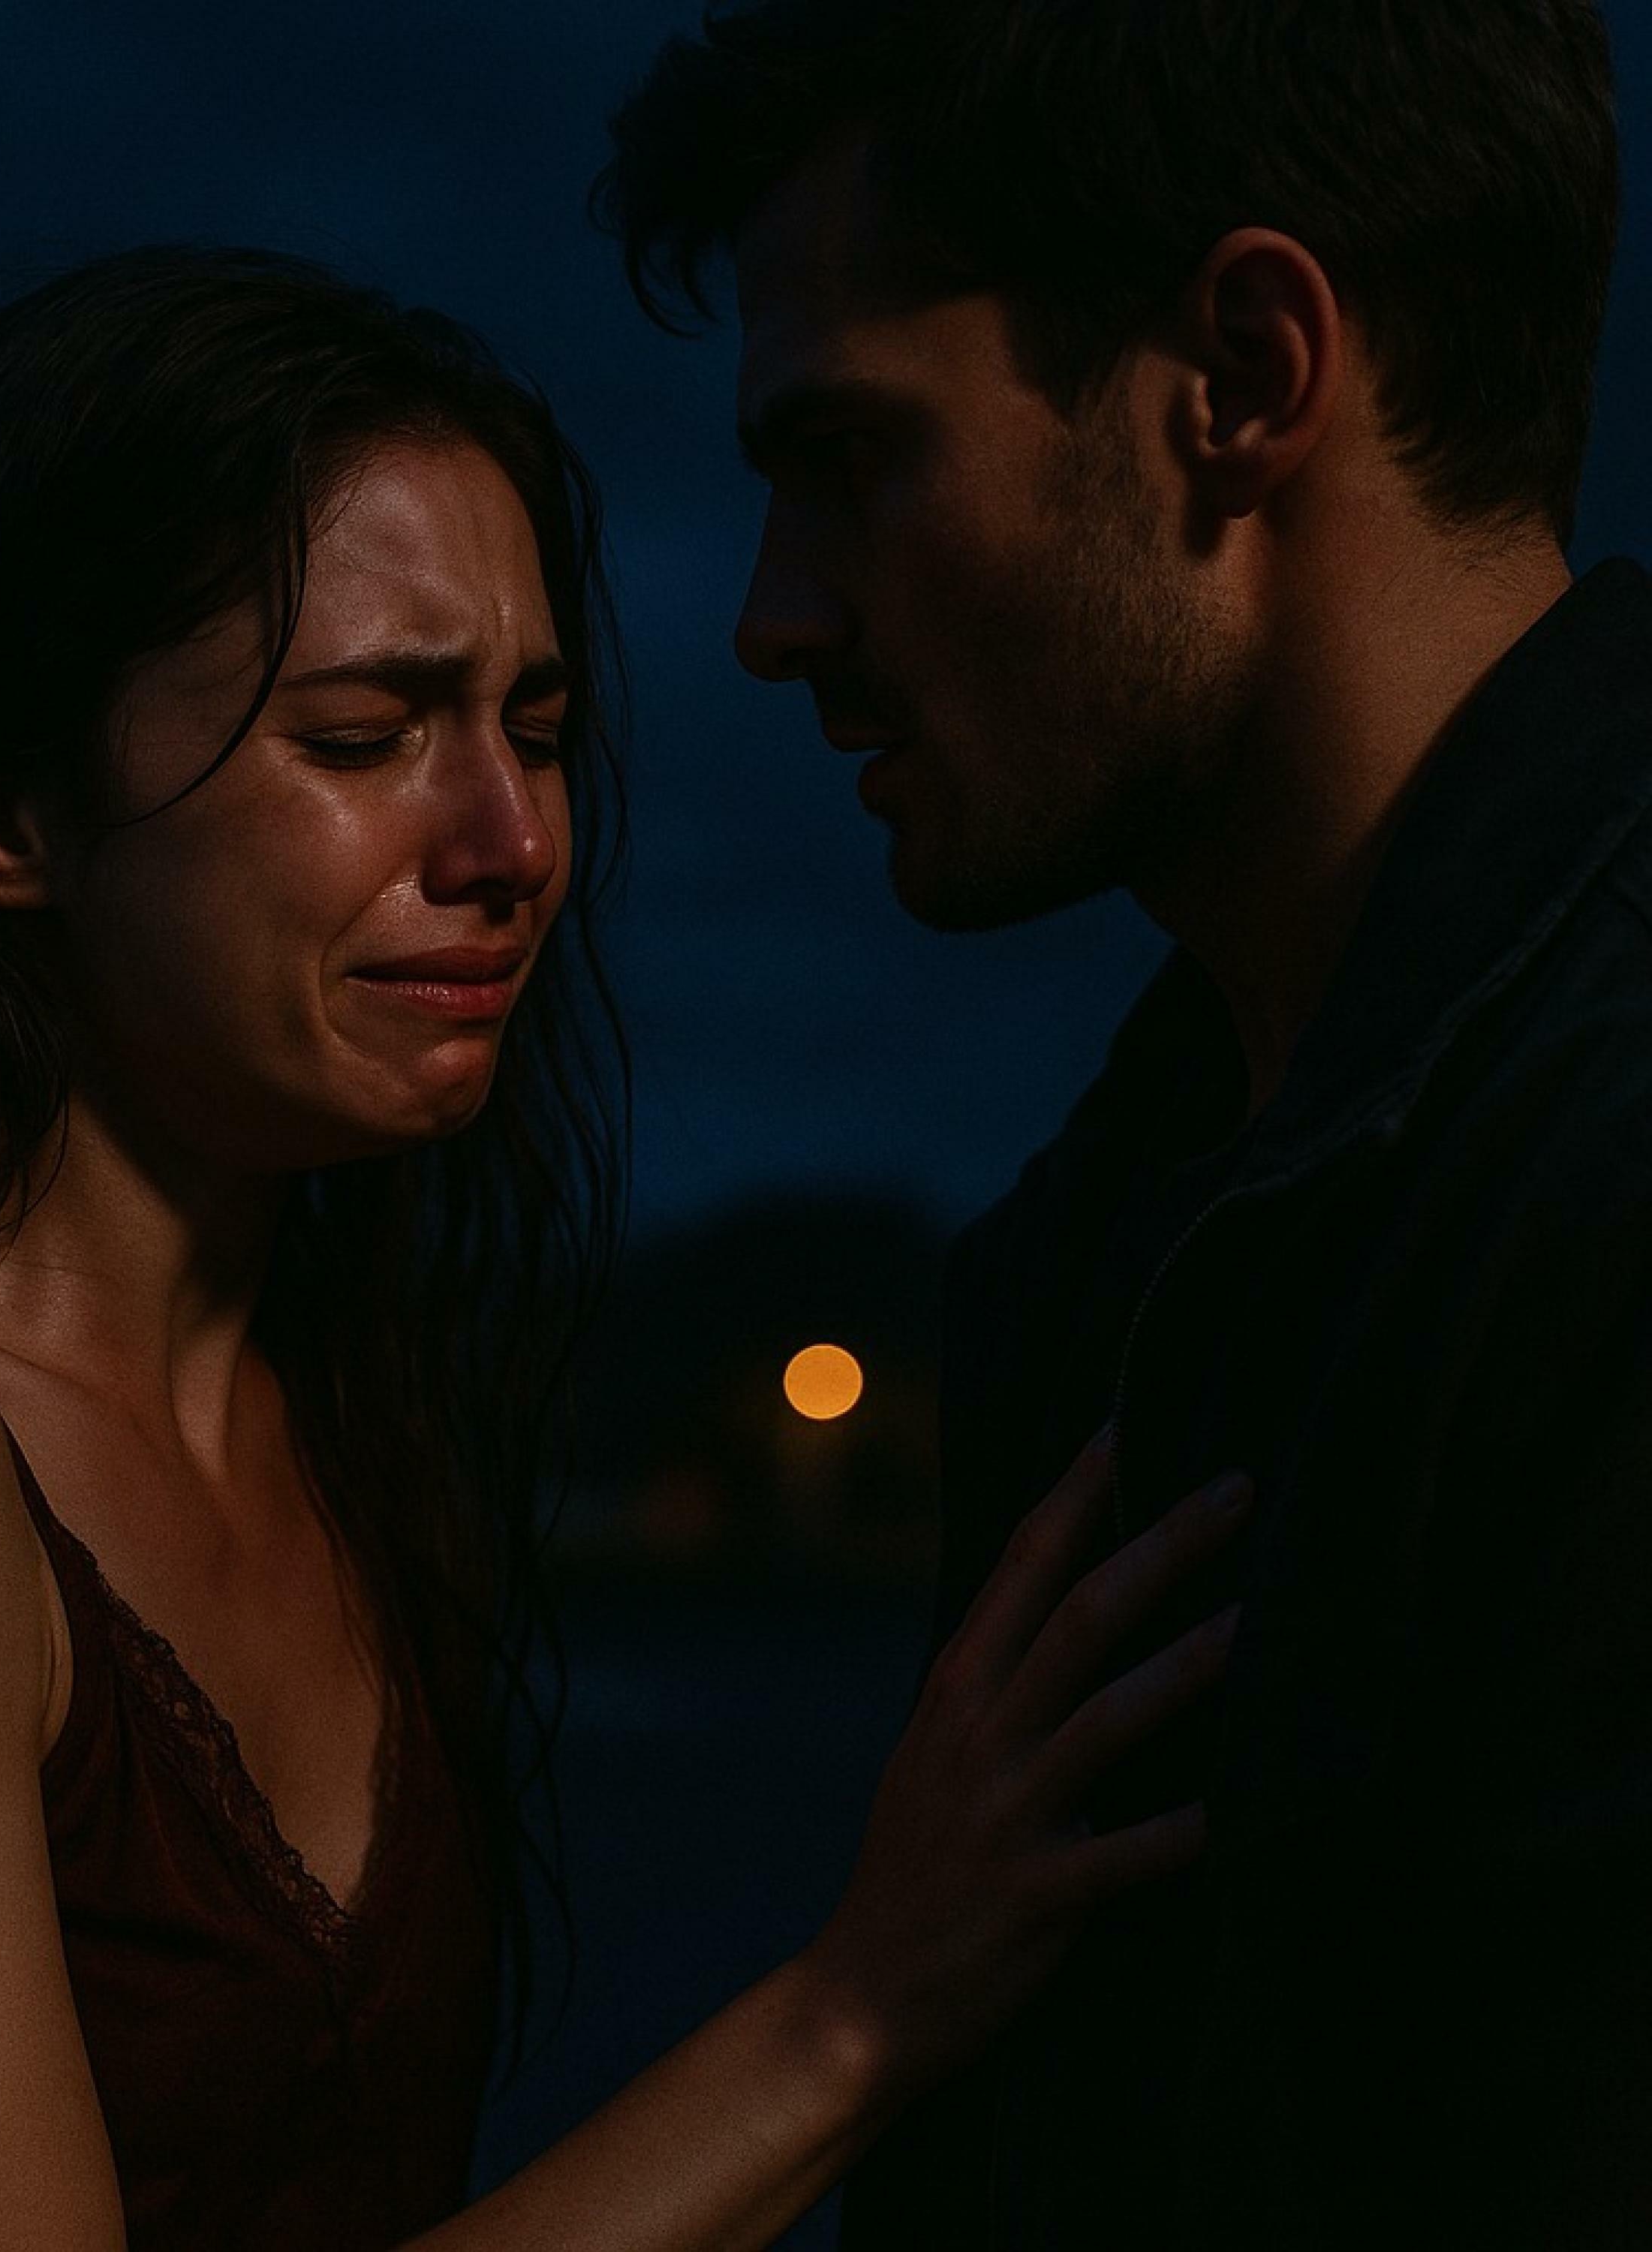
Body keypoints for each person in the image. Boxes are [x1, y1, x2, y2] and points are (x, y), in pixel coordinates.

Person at [0, 246, 1243, 2252]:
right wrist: (848, 2019)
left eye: (535, 728)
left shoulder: (328, 1412)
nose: (511, 844)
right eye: (366, 735)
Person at [600, 1, 1652, 2244]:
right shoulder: (1121, 1225)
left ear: (1246, 378)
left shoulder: (1597, 1162)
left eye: (855, 455)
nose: (775, 618)